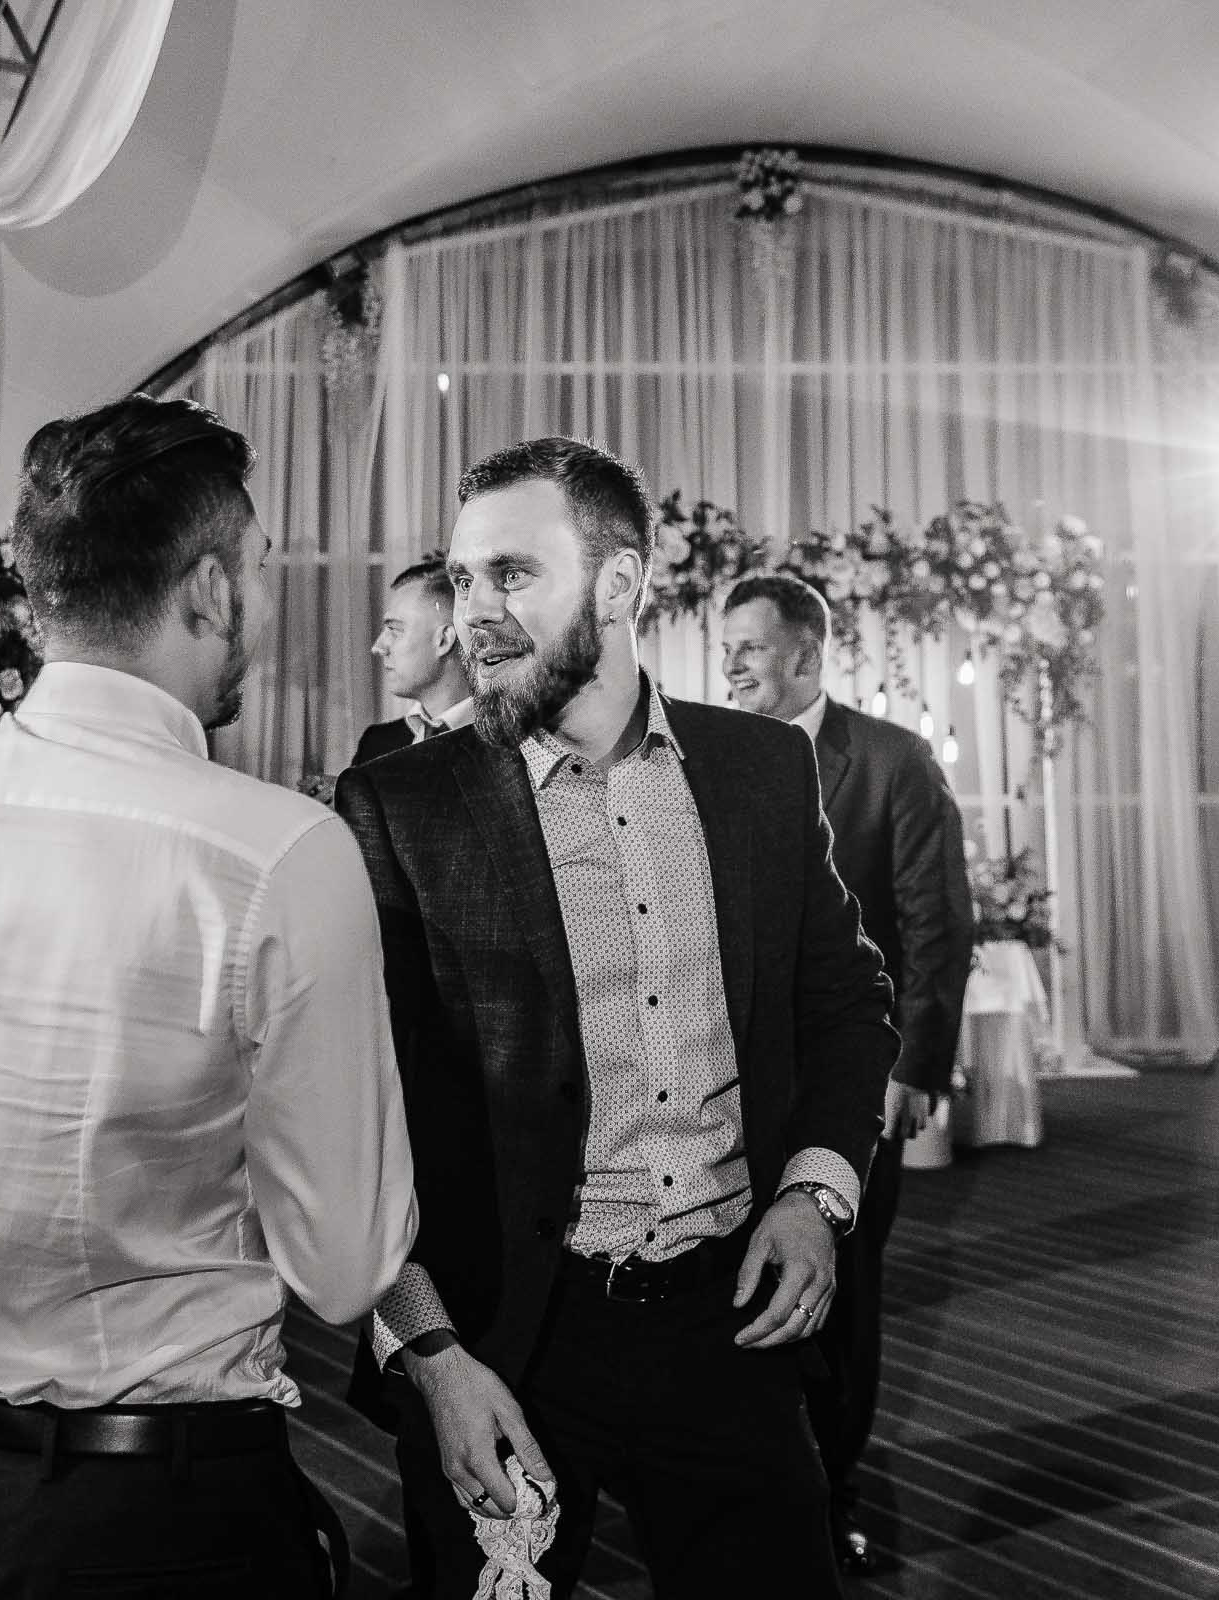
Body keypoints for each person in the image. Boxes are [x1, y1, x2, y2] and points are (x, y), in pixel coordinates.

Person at [0, 394, 418, 1597]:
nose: (264, 594)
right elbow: (344, 1264)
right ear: (206, 589)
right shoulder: (279, 854)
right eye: (260, 566)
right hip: (157, 1513)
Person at [334, 437, 895, 1599]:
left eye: (512, 576)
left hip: (728, 1319)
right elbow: (357, 1115)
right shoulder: (400, 806)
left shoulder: (761, 770)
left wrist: (815, 1194)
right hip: (509, 1340)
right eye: (465, 578)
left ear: (622, 586)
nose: (472, 614)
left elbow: (846, 1004)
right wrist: (432, 1353)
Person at [721, 571, 974, 1575]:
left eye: (750, 644)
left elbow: (937, 921)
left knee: (844, 1292)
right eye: (726, 643)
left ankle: (837, 1496)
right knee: (741, 1283)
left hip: (856, 1083)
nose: (732, 662)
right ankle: (754, 1483)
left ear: (807, 656)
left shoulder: (891, 759)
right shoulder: (718, 756)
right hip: (738, 1085)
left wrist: (914, 1065)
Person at [354, 556, 475, 765]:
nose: (378, 647)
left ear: (444, 640)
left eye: (394, 630)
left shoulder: (514, 742)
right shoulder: (376, 745)